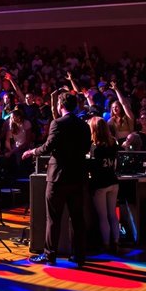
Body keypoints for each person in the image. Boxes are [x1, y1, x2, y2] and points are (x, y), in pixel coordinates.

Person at [23, 92, 92, 268]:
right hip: (77, 176)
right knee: (77, 218)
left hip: (58, 177)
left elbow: (48, 146)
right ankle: (79, 256)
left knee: (53, 218)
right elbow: (85, 148)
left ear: (61, 105)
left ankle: (50, 255)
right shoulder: (84, 126)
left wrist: (32, 152)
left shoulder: (58, 123)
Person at [88, 117, 119, 254]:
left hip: (100, 184)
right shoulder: (113, 143)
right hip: (113, 181)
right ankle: (116, 242)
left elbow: (93, 167)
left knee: (103, 216)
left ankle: (106, 244)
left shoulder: (95, 147)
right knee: (112, 215)